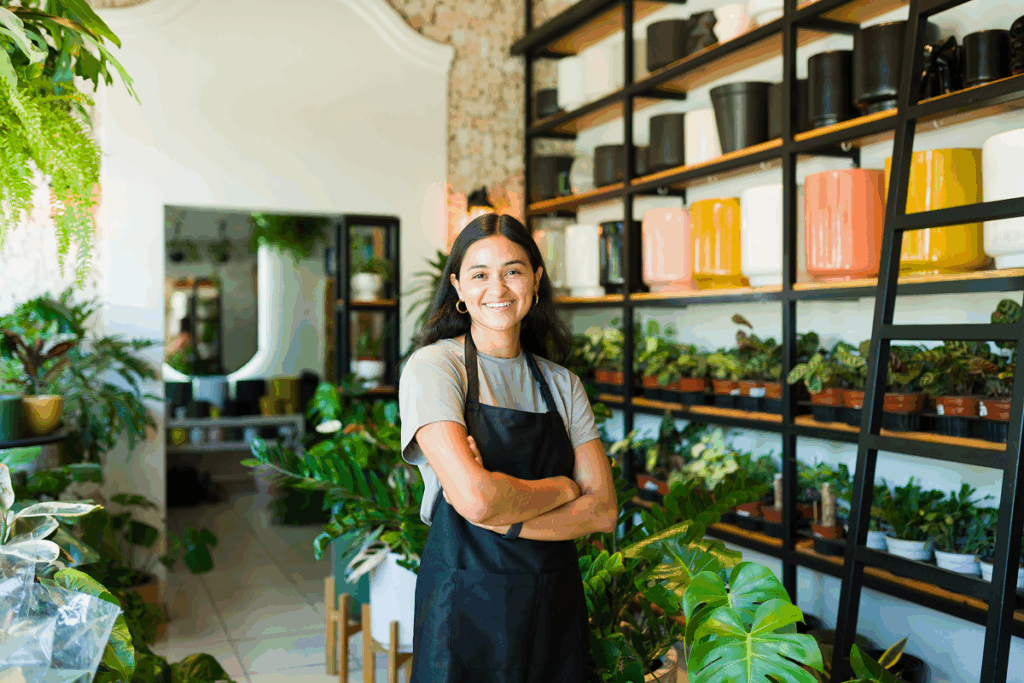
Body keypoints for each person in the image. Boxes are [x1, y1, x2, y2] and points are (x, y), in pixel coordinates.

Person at [398, 213, 618, 683]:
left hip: (553, 608)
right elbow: (477, 499)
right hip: (463, 608)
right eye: (479, 275)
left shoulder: (563, 384)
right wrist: (563, 488)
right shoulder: (435, 368)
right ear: (458, 287)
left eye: (512, 271)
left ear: (536, 280)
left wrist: (505, 515)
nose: (496, 288)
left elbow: (601, 512)